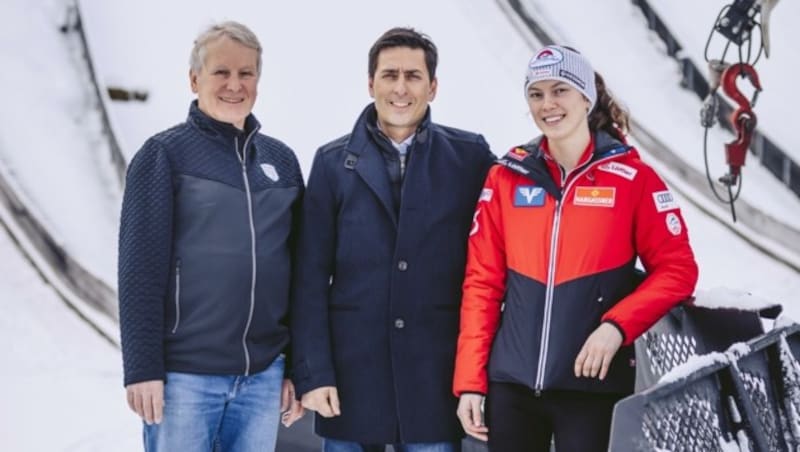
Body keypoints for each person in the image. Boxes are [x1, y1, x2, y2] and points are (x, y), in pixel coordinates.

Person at [453, 45, 699, 451]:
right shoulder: (507, 176)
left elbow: (678, 270)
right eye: (536, 94)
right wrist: (470, 383)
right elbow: (482, 282)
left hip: (590, 388)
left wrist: (615, 327)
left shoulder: (633, 179)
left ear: (587, 97)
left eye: (560, 90)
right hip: (510, 386)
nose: (547, 104)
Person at [290, 27, 496, 452]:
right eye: (389, 75)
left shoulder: (470, 157)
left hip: (433, 381)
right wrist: (315, 373)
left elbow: (510, 225)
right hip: (349, 381)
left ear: (433, 87)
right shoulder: (331, 163)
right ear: (371, 84)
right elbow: (308, 278)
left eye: (413, 76)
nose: (400, 88)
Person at [117, 21, 304, 452]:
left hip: (263, 376)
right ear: (194, 79)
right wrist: (142, 367)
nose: (235, 85)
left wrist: (297, 366)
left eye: (246, 73)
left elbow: (298, 274)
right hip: (187, 378)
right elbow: (139, 269)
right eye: (222, 72)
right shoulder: (164, 155)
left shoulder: (281, 161)